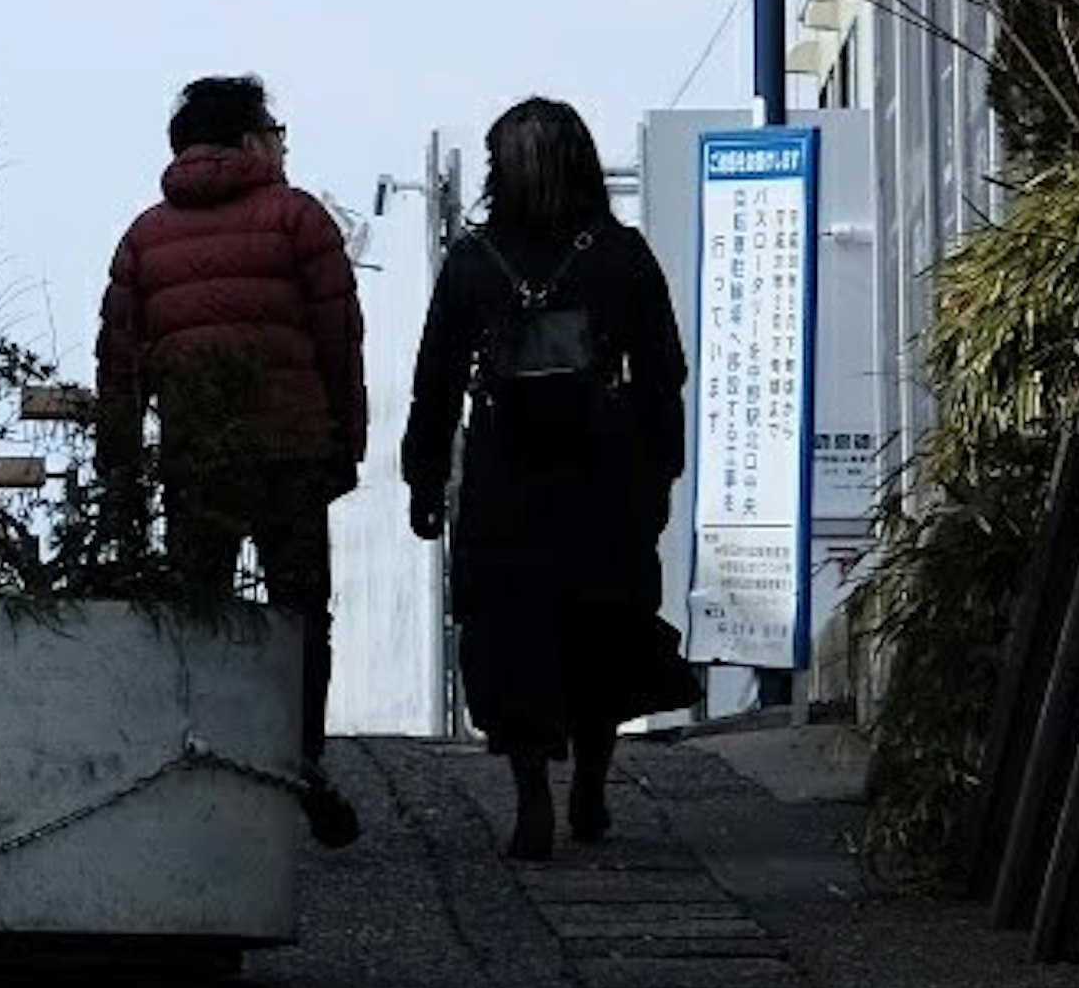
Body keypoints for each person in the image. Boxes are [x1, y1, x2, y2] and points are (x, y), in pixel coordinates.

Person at [400, 96, 691, 859]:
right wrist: (662, 469)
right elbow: (665, 373)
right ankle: (590, 784)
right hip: (606, 476)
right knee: (604, 627)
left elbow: (434, 382)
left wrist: (424, 479)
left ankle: (532, 793)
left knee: (509, 632)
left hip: (505, 477)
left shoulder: (473, 261)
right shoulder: (621, 256)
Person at [94, 72, 368, 852]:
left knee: (198, 609)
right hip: (292, 451)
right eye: (276, 131)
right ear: (251, 139)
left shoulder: (144, 236)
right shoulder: (297, 219)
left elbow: (119, 366)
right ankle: (300, 761)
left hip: (196, 459)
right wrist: (344, 443)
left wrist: (120, 472)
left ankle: (197, 757)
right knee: (300, 613)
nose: (282, 145)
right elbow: (339, 342)